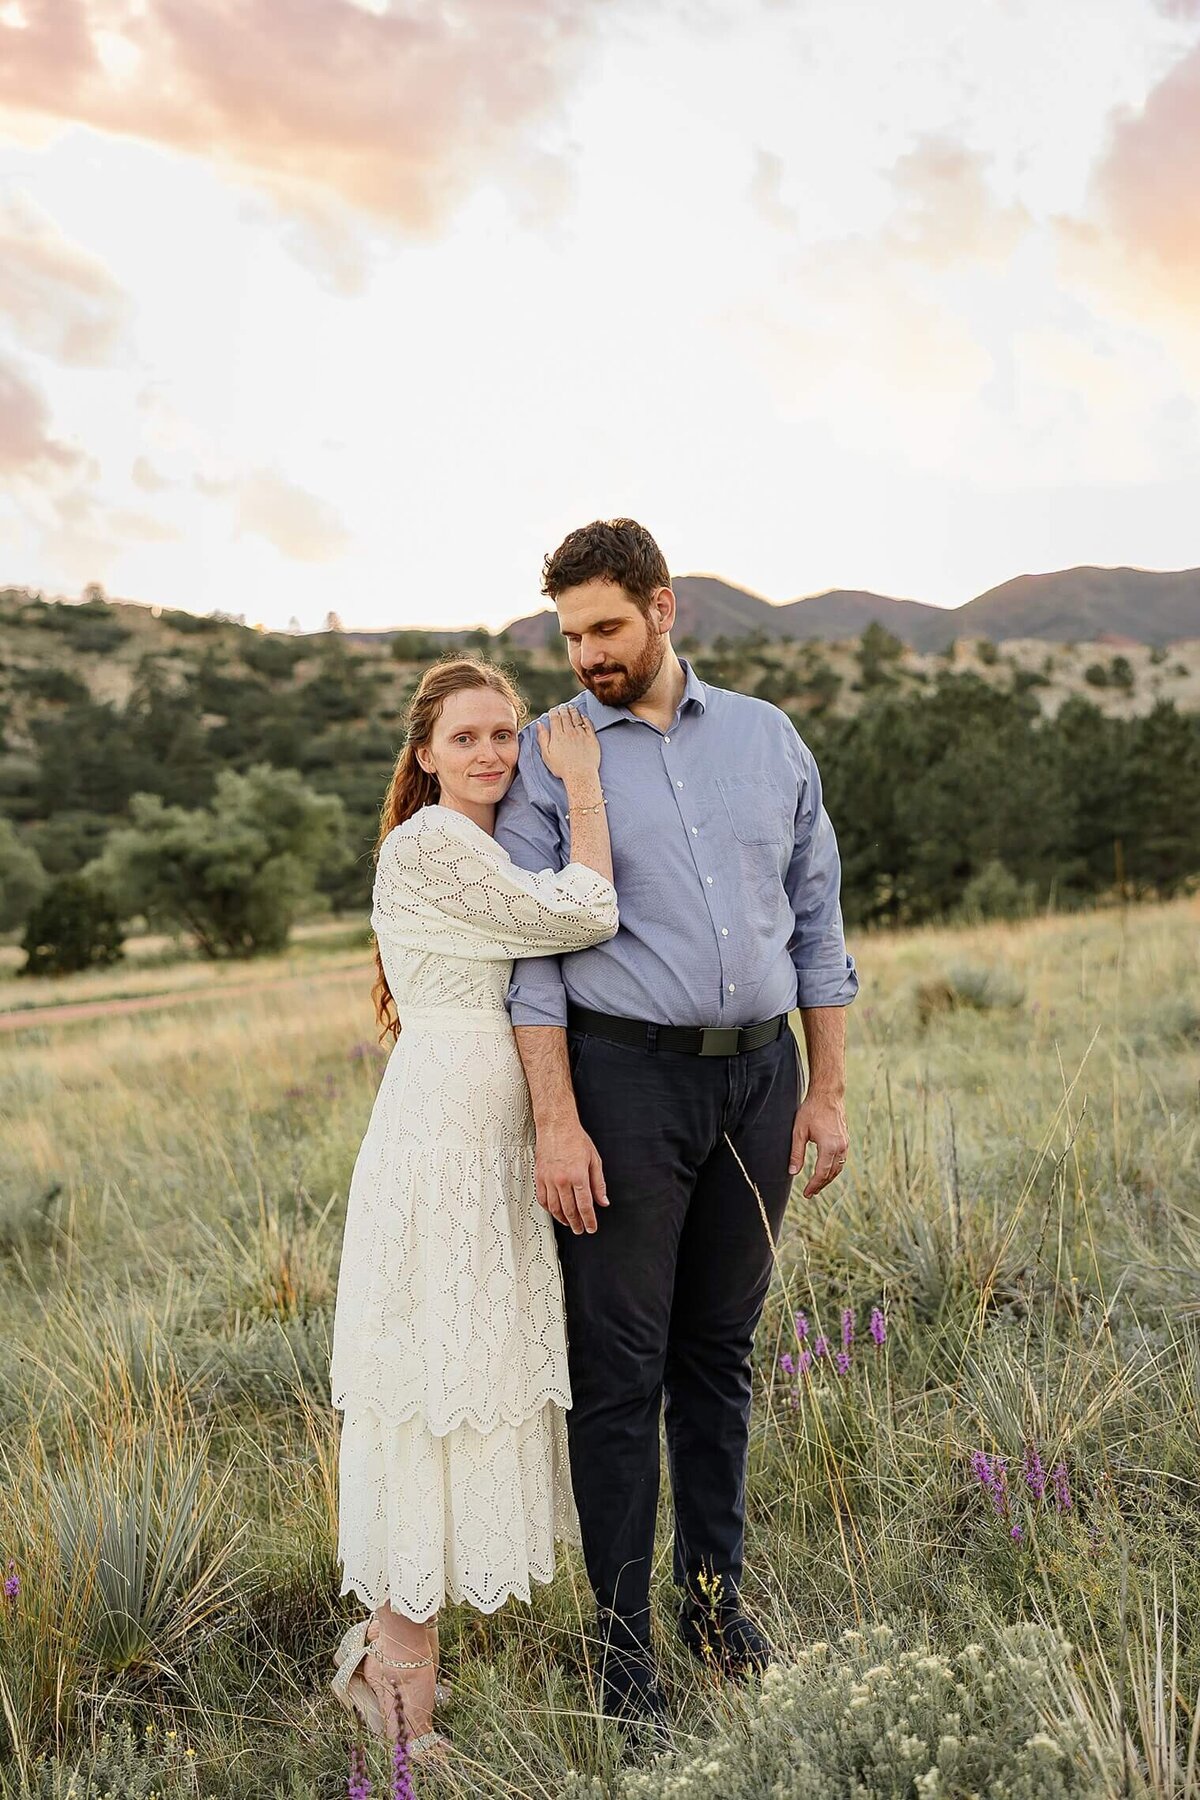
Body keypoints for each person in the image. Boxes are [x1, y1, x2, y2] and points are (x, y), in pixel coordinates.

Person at [494, 519, 858, 1731]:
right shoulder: (553, 758)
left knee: (721, 1357)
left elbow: (817, 922)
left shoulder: (768, 738)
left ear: (664, 608)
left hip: (760, 1083)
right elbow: (534, 964)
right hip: (623, 1087)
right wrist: (557, 1119)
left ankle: (714, 1602)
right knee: (620, 1373)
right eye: (570, 635)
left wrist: (830, 1087)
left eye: (605, 628)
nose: (587, 654)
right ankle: (623, 1656)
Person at [328, 656, 618, 1757]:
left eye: (505, 734)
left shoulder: (476, 843)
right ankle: (404, 1726)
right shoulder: (433, 844)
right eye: (468, 738)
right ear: (425, 753)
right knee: (429, 1391)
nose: (492, 753)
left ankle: (387, 1681)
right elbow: (587, 912)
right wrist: (581, 784)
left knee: (465, 1379)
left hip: (483, 1145)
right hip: (443, 1146)